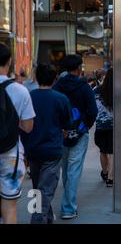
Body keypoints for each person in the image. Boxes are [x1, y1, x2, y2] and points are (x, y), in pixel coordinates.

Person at [21, 64, 72, 224]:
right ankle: (37, 220)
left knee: (38, 189)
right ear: (54, 78)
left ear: (36, 77)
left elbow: (23, 123)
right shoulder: (61, 98)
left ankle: (47, 219)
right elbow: (67, 123)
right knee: (45, 190)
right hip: (52, 150)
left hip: (33, 149)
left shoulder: (29, 96)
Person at [53, 55, 98, 220]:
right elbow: (93, 111)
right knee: (74, 170)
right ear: (79, 68)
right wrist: (85, 126)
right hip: (79, 133)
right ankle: (68, 207)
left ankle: (68, 203)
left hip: (61, 133)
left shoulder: (57, 87)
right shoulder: (84, 87)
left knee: (65, 169)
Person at [0, 43, 35, 224]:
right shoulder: (20, 90)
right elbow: (29, 127)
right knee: (10, 207)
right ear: (9, 61)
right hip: (10, 155)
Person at [94, 68, 114, 187]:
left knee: (103, 150)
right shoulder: (119, 90)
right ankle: (111, 178)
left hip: (100, 125)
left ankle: (105, 173)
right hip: (114, 126)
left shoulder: (96, 90)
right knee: (112, 151)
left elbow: (93, 107)